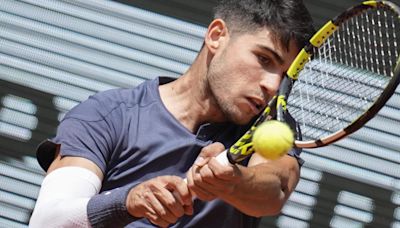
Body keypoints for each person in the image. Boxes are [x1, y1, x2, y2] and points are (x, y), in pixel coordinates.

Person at [29, 0, 314, 227]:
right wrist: (127, 202)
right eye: (264, 59)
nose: (273, 86)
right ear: (217, 36)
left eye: (285, 76)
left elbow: (274, 190)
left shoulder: (273, 122)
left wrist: (231, 181)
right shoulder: (106, 115)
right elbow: (48, 221)